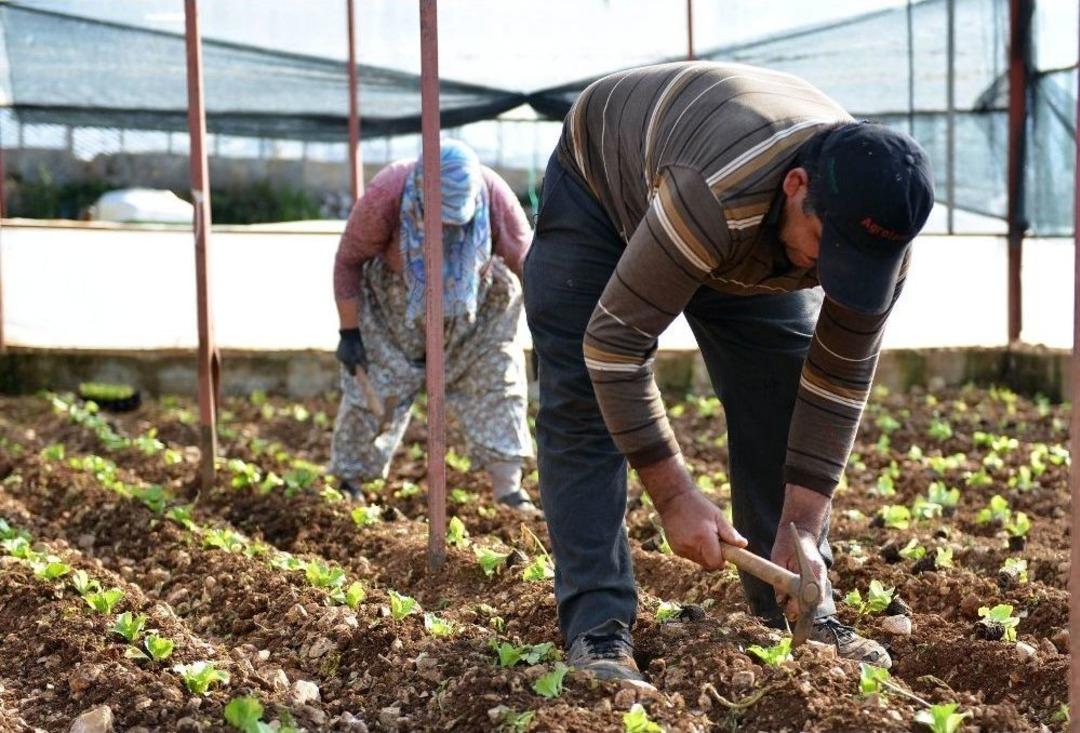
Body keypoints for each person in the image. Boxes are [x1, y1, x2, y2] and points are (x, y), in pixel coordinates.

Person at [523, 62, 934, 682]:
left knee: (784, 394)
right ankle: (598, 628)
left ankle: (795, 602)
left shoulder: (873, 239)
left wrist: (803, 527)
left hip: (740, 219)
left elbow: (837, 385)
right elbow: (615, 345)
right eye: (828, 248)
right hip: (606, 190)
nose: (831, 275)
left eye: (859, 262)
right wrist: (674, 496)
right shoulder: (715, 194)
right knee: (584, 401)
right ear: (796, 185)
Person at [331, 140, 537, 514]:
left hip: (478, 307)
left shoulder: (494, 195)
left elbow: (529, 266)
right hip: (396, 304)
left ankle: (509, 491)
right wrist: (349, 333)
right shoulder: (389, 191)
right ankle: (351, 485)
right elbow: (348, 260)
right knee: (377, 388)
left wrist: (546, 332)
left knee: (498, 382)